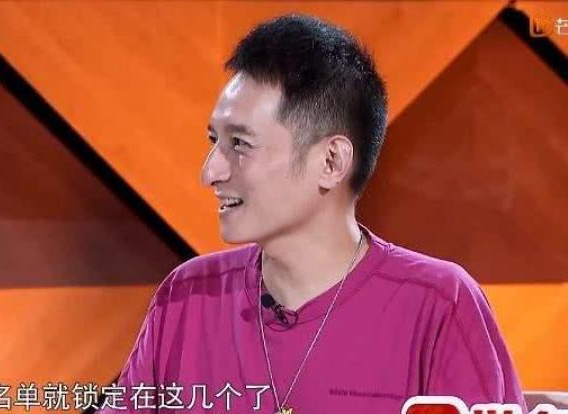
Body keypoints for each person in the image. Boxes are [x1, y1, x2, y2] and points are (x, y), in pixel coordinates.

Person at [97, 13, 527, 414]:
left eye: (240, 144)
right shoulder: (186, 297)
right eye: (215, 141)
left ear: (331, 161)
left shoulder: (440, 303)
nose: (211, 172)